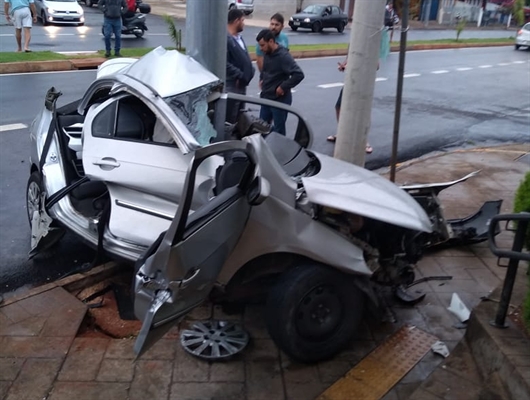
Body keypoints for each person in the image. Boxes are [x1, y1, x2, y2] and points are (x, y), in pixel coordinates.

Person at [256, 29, 304, 136]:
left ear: (271, 42)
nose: (261, 48)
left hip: (279, 100)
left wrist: (283, 87)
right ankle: (263, 151)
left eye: (263, 45)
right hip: (266, 97)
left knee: (278, 132)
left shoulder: (283, 56)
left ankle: (278, 151)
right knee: (261, 128)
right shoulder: (268, 52)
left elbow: (299, 74)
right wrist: (261, 78)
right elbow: (265, 69)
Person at [226, 9, 255, 123]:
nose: (244, 23)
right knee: (231, 118)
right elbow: (225, 63)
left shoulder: (239, 38)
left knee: (240, 117)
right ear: (236, 21)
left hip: (242, 85)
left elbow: (244, 58)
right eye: (242, 20)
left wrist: (250, 71)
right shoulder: (226, 39)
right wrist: (240, 75)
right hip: (233, 85)